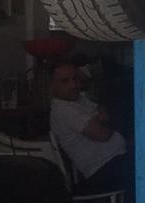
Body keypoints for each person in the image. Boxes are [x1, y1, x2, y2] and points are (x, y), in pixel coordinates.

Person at [49, 62, 130, 194]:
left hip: (117, 159)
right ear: (52, 85)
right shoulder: (63, 110)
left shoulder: (79, 100)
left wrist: (103, 118)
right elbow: (102, 134)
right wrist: (107, 119)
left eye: (75, 78)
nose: (73, 85)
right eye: (65, 81)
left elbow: (102, 108)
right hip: (103, 169)